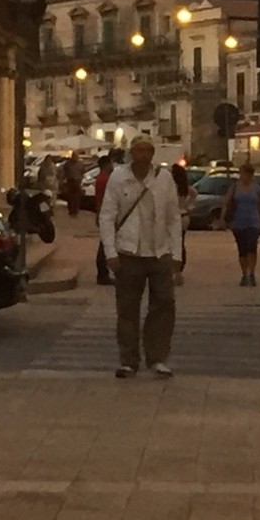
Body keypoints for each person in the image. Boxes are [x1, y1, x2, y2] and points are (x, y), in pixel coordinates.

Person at [100, 135, 182, 378]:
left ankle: (157, 357)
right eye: (139, 150)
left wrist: (176, 253)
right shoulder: (118, 178)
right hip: (128, 252)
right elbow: (106, 216)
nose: (144, 155)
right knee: (127, 309)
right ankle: (128, 360)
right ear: (132, 153)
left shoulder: (164, 179)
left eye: (148, 150)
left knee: (164, 305)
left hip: (159, 252)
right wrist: (110, 252)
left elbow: (173, 217)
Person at [223, 163, 260, 287]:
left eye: (245, 173)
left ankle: (251, 273)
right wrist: (223, 218)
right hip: (238, 221)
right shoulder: (235, 187)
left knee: (252, 247)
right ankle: (244, 273)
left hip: (253, 221)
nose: (242, 176)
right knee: (242, 249)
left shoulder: (257, 188)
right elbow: (227, 202)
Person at [170, 161, 196, 281]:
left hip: (174, 216)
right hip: (184, 215)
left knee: (172, 243)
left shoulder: (171, 186)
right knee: (181, 243)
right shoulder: (184, 187)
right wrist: (187, 205)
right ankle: (179, 270)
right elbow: (195, 193)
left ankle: (174, 270)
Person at [94, 153, 115, 285]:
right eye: (111, 163)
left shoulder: (101, 178)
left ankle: (103, 273)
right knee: (105, 244)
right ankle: (103, 274)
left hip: (103, 213)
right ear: (106, 165)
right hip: (106, 214)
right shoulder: (105, 179)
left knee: (105, 243)